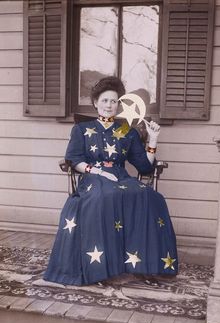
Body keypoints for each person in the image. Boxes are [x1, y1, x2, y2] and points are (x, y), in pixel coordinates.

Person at [44, 76, 178, 286]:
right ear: (96, 103)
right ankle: (100, 268)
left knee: (150, 196)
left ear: (119, 104)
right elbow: (74, 159)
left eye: (114, 101)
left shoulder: (126, 131)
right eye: (105, 100)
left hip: (120, 177)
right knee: (103, 196)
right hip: (92, 177)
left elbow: (144, 166)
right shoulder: (81, 129)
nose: (109, 105)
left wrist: (153, 140)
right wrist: (97, 171)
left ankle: (145, 265)